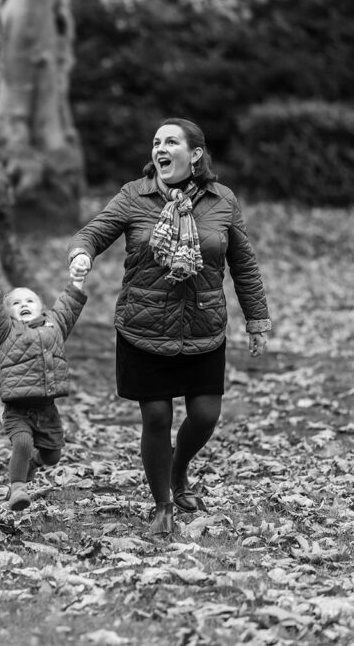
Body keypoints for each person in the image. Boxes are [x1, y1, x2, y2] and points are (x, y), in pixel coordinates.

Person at [67, 117, 271, 536]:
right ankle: (163, 502)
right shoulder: (134, 196)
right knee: (157, 417)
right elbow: (95, 231)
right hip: (144, 325)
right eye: (156, 142)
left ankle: (178, 471)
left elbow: (243, 265)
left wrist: (257, 319)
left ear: (194, 155)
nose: (160, 148)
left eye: (171, 142)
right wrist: (82, 253)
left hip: (203, 324)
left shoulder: (222, 201)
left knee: (205, 414)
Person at [0, 268, 87, 511]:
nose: (23, 304)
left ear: (41, 308)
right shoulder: (4, 331)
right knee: (23, 444)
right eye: (16, 303)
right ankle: (18, 489)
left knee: (52, 456)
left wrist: (77, 281)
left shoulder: (54, 325)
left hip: (47, 409)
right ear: (9, 313)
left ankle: (32, 465)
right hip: (17, 410)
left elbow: (69, 306)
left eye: (29, 301)